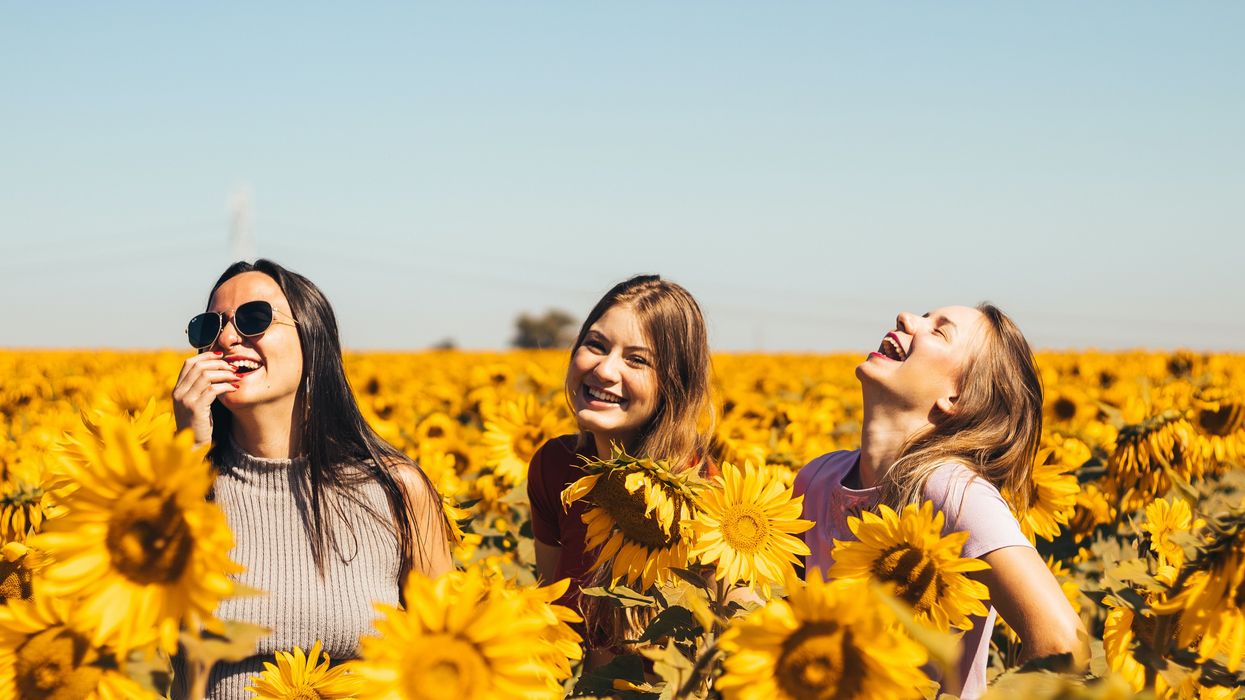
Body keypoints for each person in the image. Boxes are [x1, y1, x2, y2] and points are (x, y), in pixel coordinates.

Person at [171, 259, 452, 699]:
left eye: (253, 319)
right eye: (210, 327)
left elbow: (449, 658)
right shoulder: (179, 490)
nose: (226, 338)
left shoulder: (395, 489)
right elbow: (123, 633)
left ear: (311, 337)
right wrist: (183, 455)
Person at [794, 304, 1087, 699]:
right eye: (923, 316)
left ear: (957, 397)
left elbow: (1062, 643)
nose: (906, 318)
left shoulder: (951, 492)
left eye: (938, 331)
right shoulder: (817, 479)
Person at [527, 274, 715, 650]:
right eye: (596, 345)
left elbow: (706, 646)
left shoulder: (703, 495)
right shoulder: (556, 466)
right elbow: (552, 618)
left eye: (637, 360)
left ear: (673, 385)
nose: (605, 370)